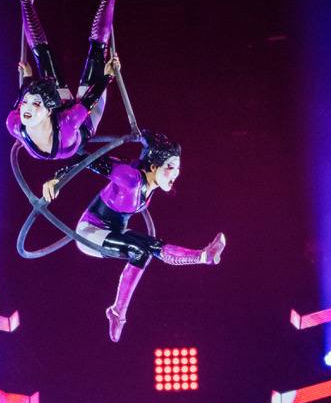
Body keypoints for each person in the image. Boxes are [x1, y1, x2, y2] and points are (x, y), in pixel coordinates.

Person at [44, 131, 226, 341]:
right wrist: (55, 178)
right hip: (91, 232)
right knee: (139, 251)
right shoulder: (130, 178)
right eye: (170, 167)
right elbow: (88, 160)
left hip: (114, 230)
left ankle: (203, 256)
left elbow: (149, 137)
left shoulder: (149, 179)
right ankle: (118, 313)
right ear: (153, 167)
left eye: (177, 168)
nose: (175, 173)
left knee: (150, 247)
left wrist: (143, 135)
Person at [7, 0, 126, 160]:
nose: (25, 107)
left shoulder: (15, 122)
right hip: (83, 120)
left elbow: (20, 100)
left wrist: (27, 80)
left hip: (60, 107)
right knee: (97, 54)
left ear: (48, 111)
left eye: (32, 103)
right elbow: (88, 100)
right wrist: (108, 77)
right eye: (29, 102)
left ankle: (24, 0)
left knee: (43, 56)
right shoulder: (69, 124)